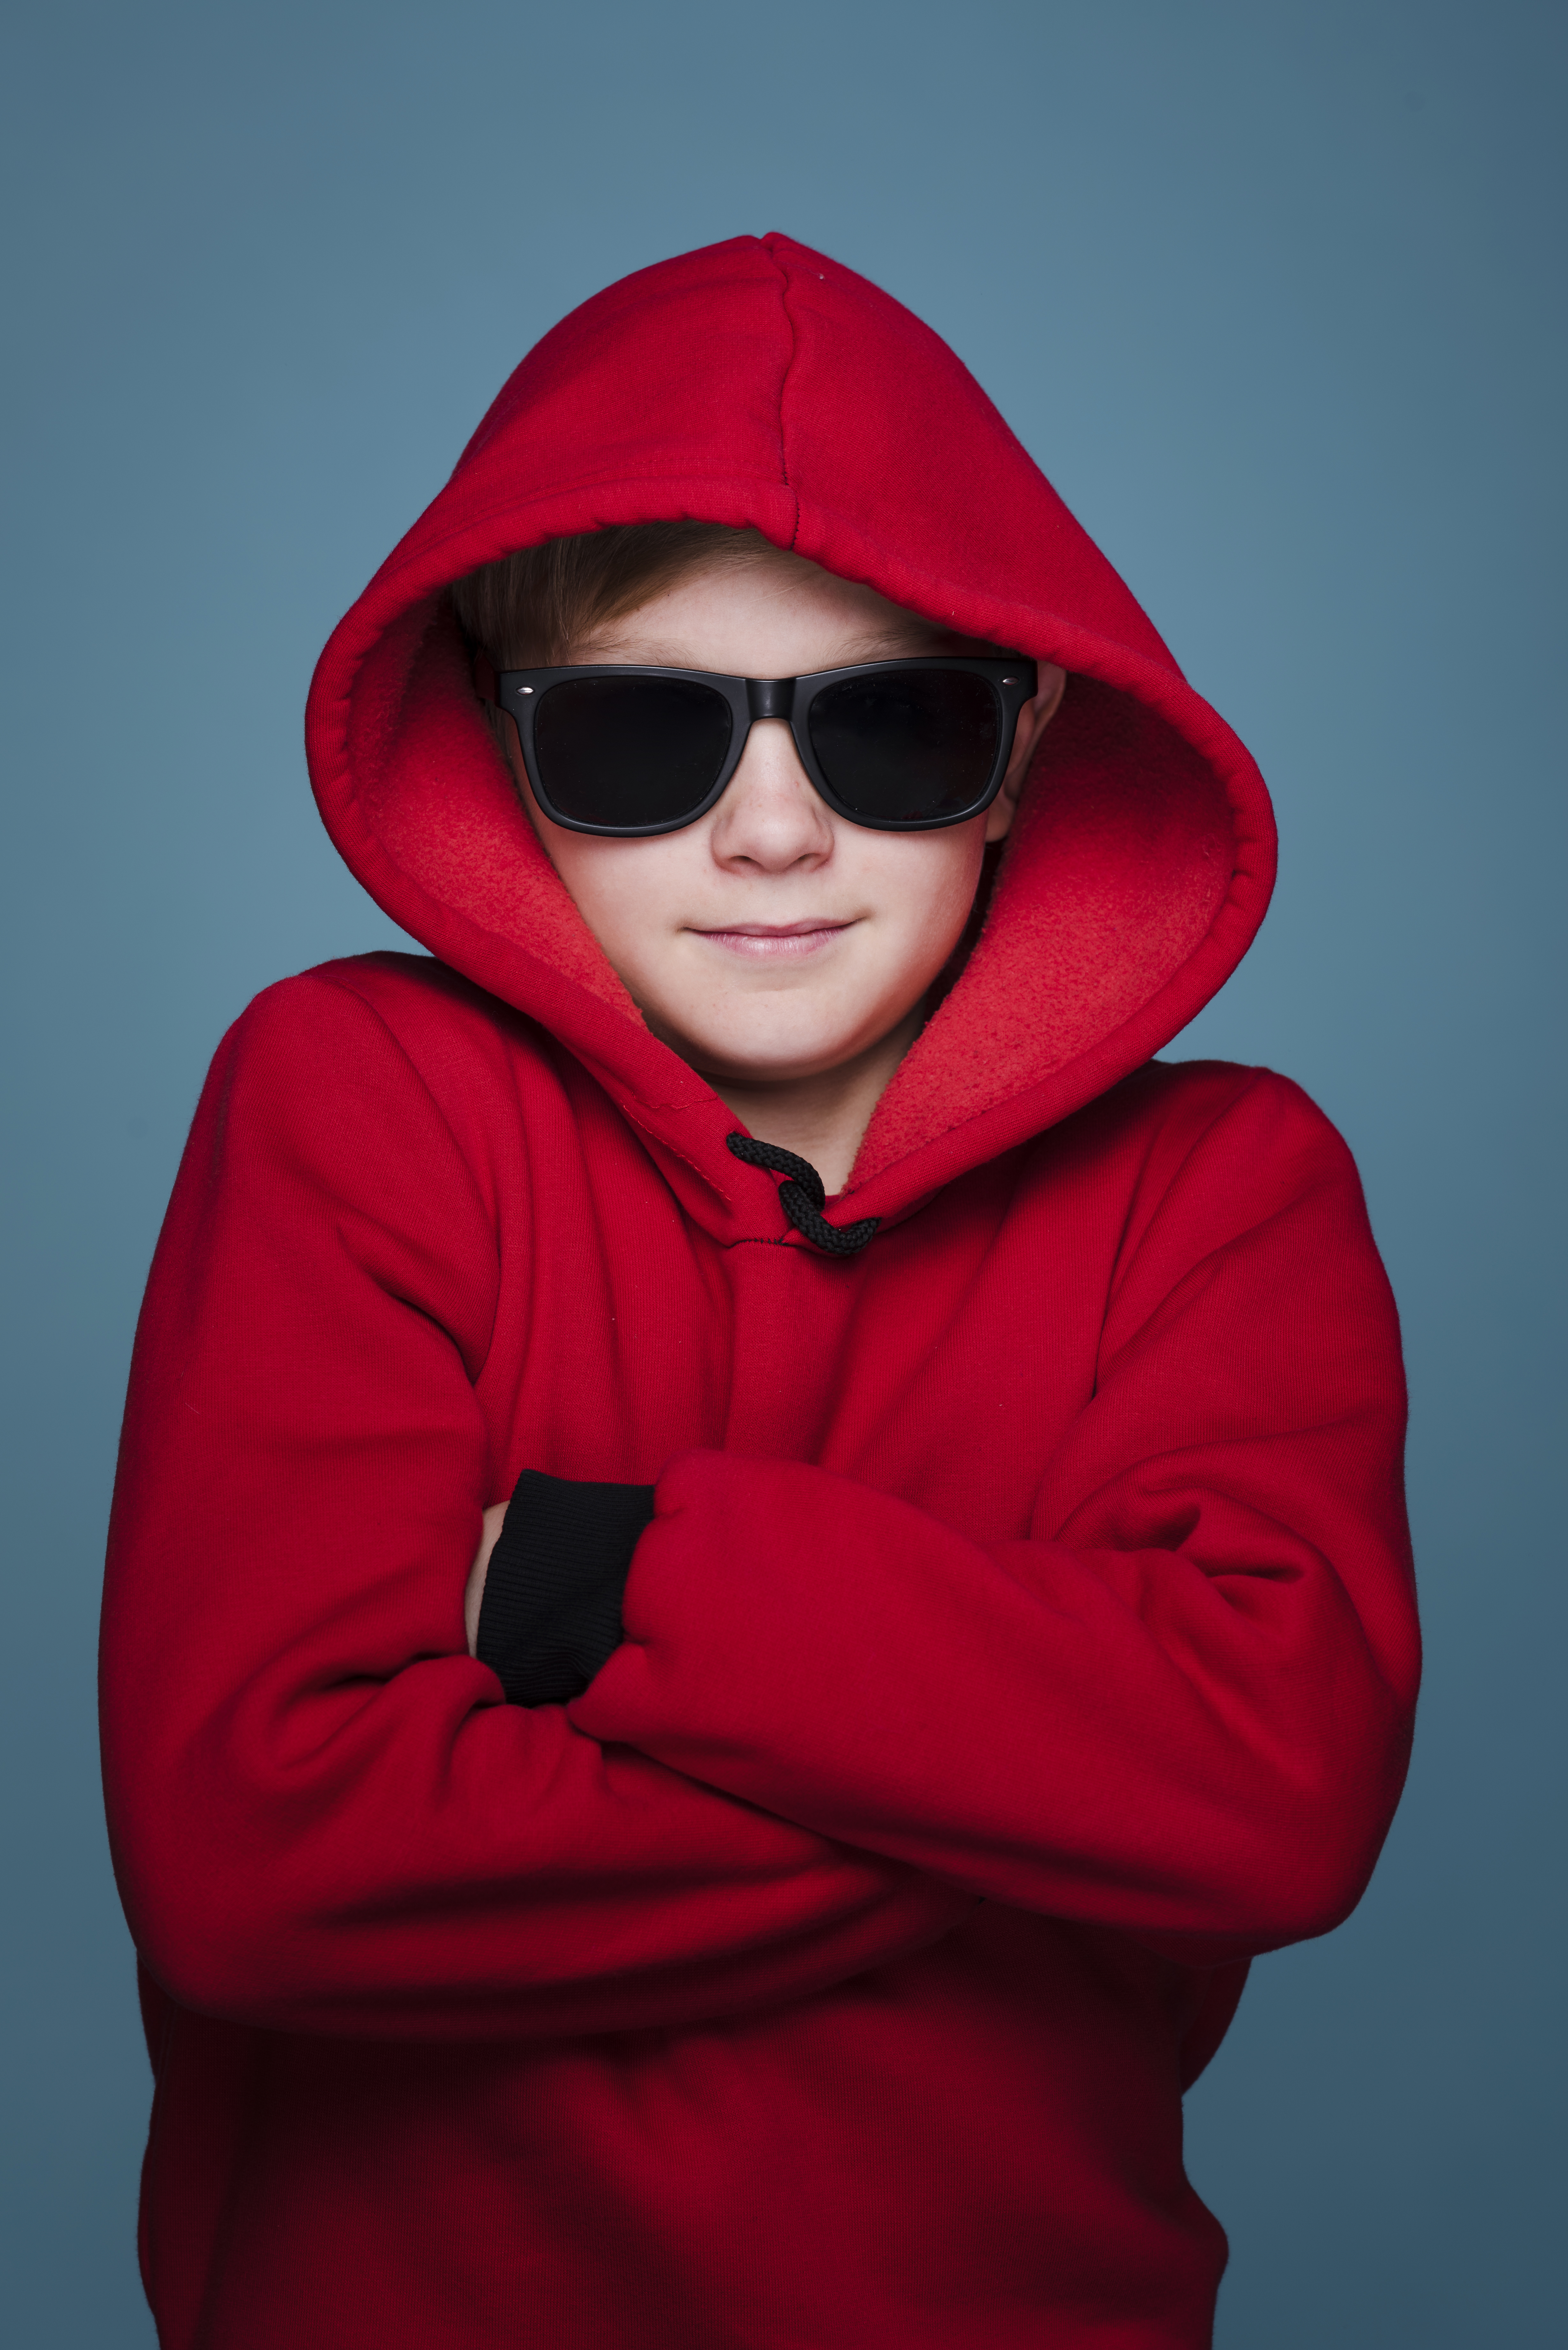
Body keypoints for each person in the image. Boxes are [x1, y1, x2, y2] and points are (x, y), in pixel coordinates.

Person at [100, 232, 1420, 2350]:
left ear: (1029, 735)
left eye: (894, 728)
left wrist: (586, 1583)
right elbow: (263, 1856)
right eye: (644, 737)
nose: (775, 833)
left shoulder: (1223, 1187)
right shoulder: (354, 1096)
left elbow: (1279, 1791)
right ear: (501, 747)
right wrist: (1040, 1789)